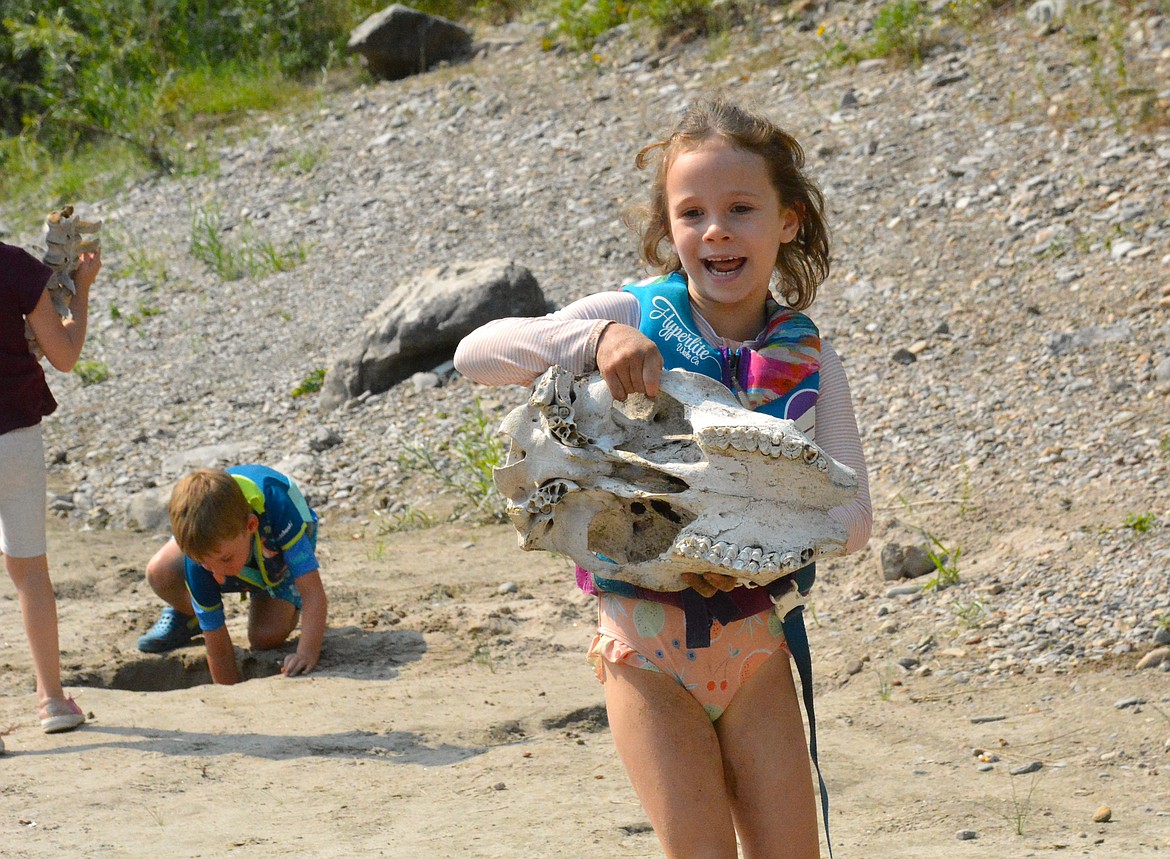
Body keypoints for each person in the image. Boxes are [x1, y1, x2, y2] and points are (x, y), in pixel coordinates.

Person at [455, 98, 872, 858]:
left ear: (790, 221)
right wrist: (595, 338)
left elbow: (851, 518)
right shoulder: (636, 314)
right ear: (669, 229)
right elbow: (477, 352)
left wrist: (737, 543)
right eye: (692, 212)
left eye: (741, 207)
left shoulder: (810, 358)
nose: (715, 229)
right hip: (644, 646)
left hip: (757, 643)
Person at [1, 239, 101, 736]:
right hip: (15, 439)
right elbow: (63, 355)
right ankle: (54, 702)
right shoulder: (16, 266)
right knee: (29, 572)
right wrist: (80, 290)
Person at [136, 465, 328, 685]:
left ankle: (283, 601)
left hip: (276, 551)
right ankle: (189, 615)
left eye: (225, 560)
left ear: (251, 525)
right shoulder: (201, 560)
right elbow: (217, 648)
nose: (218, 577)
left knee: (265, 637)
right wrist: (231, 698)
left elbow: (313, 593)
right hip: (223, 537)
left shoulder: (280, 508)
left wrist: (306, 653)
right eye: (205, 564)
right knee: (161, 572)